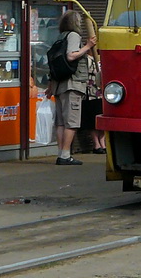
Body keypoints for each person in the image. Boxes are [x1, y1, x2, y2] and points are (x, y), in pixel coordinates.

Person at [49, 10, 97, 165]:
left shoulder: (60, 37)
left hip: (59, 85)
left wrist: (51, 85)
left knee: (61, 122)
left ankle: (61, 152)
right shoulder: (74, 36)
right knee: (72, 122)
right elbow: (71, 55)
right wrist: (88, 46)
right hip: (72, 84)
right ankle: (65, 155)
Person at [80, 50, 106, 153]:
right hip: (91, 93)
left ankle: (102, 142)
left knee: (102, 117)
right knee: (92, 120)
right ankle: (96, 144)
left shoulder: (103, 58)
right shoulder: (86, 59)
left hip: (103, 93)